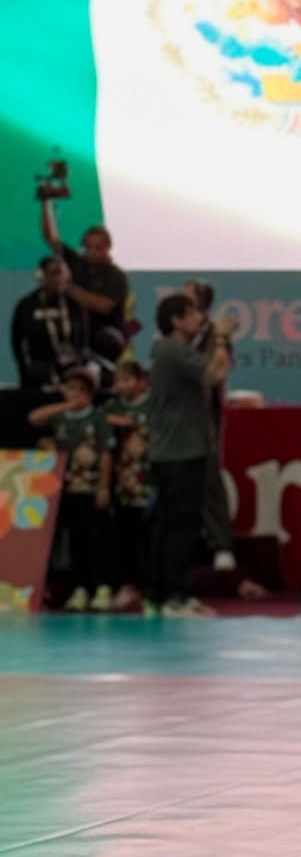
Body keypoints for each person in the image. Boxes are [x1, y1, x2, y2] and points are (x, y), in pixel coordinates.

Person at [148, 292, 236, 618]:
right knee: (182, 527)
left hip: (167, 452)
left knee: (165, 526)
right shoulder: (175, 351)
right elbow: (215, 374)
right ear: (176, 321)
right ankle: (178, 597)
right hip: (184, 452)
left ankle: (156, 595)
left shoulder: (165, 350)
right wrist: (223, 338)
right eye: (193, 314)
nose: (201, 319)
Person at [28, 365, 115, 611]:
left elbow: (106, 453)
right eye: (70, 389)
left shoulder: (97, 417)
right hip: (68, 491)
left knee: (97, 538)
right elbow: (34, 418)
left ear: (90, 394)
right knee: (76, 540)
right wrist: (65, 406)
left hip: (91, 487)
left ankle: (102, 587)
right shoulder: (61, 417)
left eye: (80, 391)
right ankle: (80, 587)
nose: (75, 395)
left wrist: (103, 487)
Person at [184, 280, 237, 573]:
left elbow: (218, 368)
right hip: (177, 415)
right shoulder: (176, 335)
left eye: (187, 298)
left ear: (200, 305)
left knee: (209, 479)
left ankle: (222, 545)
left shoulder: (215, 335)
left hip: (204, 416)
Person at [40, 203, 131, 362]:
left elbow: (103, 306)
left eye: (98, 248)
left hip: (106, 344)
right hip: (78, 340)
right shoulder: (77, 263)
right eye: (89, 247)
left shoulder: (117, 276)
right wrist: (46, 203)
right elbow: (51, 238)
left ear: (108, 248)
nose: (93, 252)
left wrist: (68, 287)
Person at [104, 358, 153, 612]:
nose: (121, 386)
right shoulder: (112, 408)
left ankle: (152, 589)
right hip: (122, 486)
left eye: (127, 380)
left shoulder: (155, 406)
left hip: (150, 484)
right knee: (124, 537)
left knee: (151, 537)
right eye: (117, 381)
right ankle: (126, 587)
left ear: (142, 382)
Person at [10, 256, 90, 392]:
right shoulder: (26, 306)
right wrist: (27, 368)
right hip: (37, 374)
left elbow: (83, 340)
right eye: (52, 274)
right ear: (40, 277)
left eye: (61, 274)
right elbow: (16, 341)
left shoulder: (75, 305)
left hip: (70, 372)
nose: (58, 279)